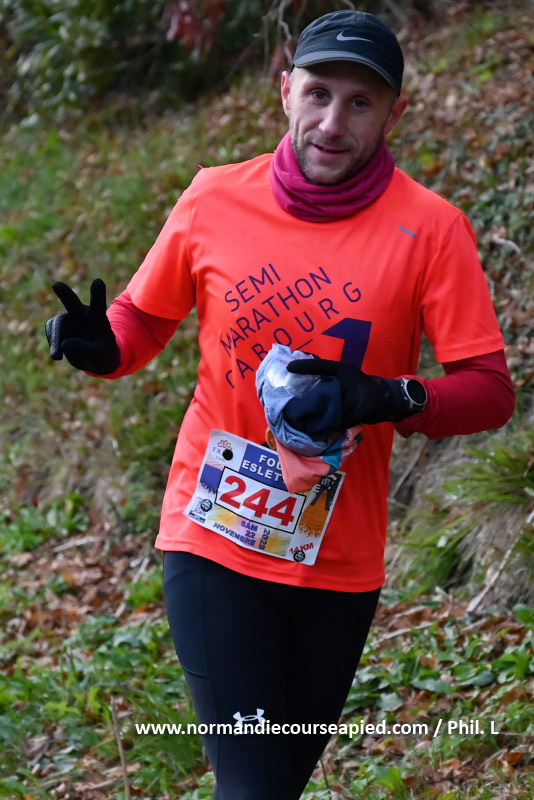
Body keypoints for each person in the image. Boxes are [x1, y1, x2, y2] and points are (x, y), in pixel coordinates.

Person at [46, 10, 515, 799]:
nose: (333, 123)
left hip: (338, 556)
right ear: (285, 90)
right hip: (214, 532)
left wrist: (390, 395)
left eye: (360, 103)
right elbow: (142, 319)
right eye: (319, 93)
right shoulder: (213, 199)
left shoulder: (432, 230)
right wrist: (106, 346)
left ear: (395, 113)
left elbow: (490, 390)